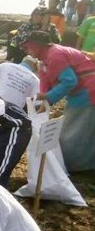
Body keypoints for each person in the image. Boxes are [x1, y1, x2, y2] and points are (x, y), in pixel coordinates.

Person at [22, 30, 95, 172]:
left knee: (76, 131)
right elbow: (45, 83)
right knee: (82, 129)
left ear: (36, 46)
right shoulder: (44, 59)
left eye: (27, 47)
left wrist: (49, 97)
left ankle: (75, 166)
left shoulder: (55, 55)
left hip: (88, 92)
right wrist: (44, 102)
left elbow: (69, 81)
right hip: (81, 93)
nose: (26, 51)